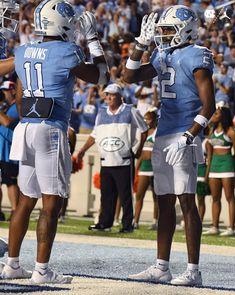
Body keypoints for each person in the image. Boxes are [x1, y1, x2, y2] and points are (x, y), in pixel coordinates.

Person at [1, 0, 109, 284]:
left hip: (26, 127)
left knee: (25, 200)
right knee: (51, 204)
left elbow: (22, 99)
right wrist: (94, 39)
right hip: (51, 128)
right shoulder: (68, 50)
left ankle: (12, 264)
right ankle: (42, 269)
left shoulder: (22, 51)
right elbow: (101, 75)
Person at [124, 5, 215, 286]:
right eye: (160, 30)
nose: (161, 34)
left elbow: (209, 105)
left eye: (166, 29)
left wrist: (190, 135)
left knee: (186, 201)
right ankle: (161, 266)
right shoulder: (162, 54)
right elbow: (129, 77)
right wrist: (140, 45)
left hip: (184, 134)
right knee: (163, 203)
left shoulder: (197, 55)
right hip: (163, 133)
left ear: (185, 29)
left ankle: (193, 271)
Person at [77, 83, 148, 233]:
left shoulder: (131, 111)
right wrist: (83, 150)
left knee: (125, 195)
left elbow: (144, 130)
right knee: (106, 195)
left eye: (112, 94)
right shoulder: (101, 113)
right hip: (106, 160)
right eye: (107, 94)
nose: (109, 97)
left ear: (120, 96)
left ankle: (127, 225)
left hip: (124, 159)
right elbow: (94, 134)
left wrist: (138, 149)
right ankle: (105, 223)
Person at [203, 105, 235, 236]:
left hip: (227, 165)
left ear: (223, 116)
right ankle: (215, 226)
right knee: (215, 198)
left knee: (230, 198)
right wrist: (207, 173)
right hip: (214, 167)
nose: (214, 116)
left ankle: (231, 228)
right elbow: (209, 155)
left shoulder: (231, 132)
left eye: (216, 114)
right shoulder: (212, 131)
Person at [133, 108, 158, 230]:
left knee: (156, 196)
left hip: (155, 167)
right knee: (139, 195)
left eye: (148, 119)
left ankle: (155, 221)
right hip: (144, 166)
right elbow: (141, 153)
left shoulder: (158, 133)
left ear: (154, 120)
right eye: (145, 119)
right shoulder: (143, 133)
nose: (146, 121)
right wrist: (136, 168)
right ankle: (135, 221)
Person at [0, 81, 20, 221]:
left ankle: (15, 211)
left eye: (6, 91)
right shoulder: (6, 107)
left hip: (9, 152)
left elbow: (7, 122)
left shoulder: (17, 108)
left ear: (13, 91)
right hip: (1, 150)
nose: (4, 94)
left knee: (10, 181)